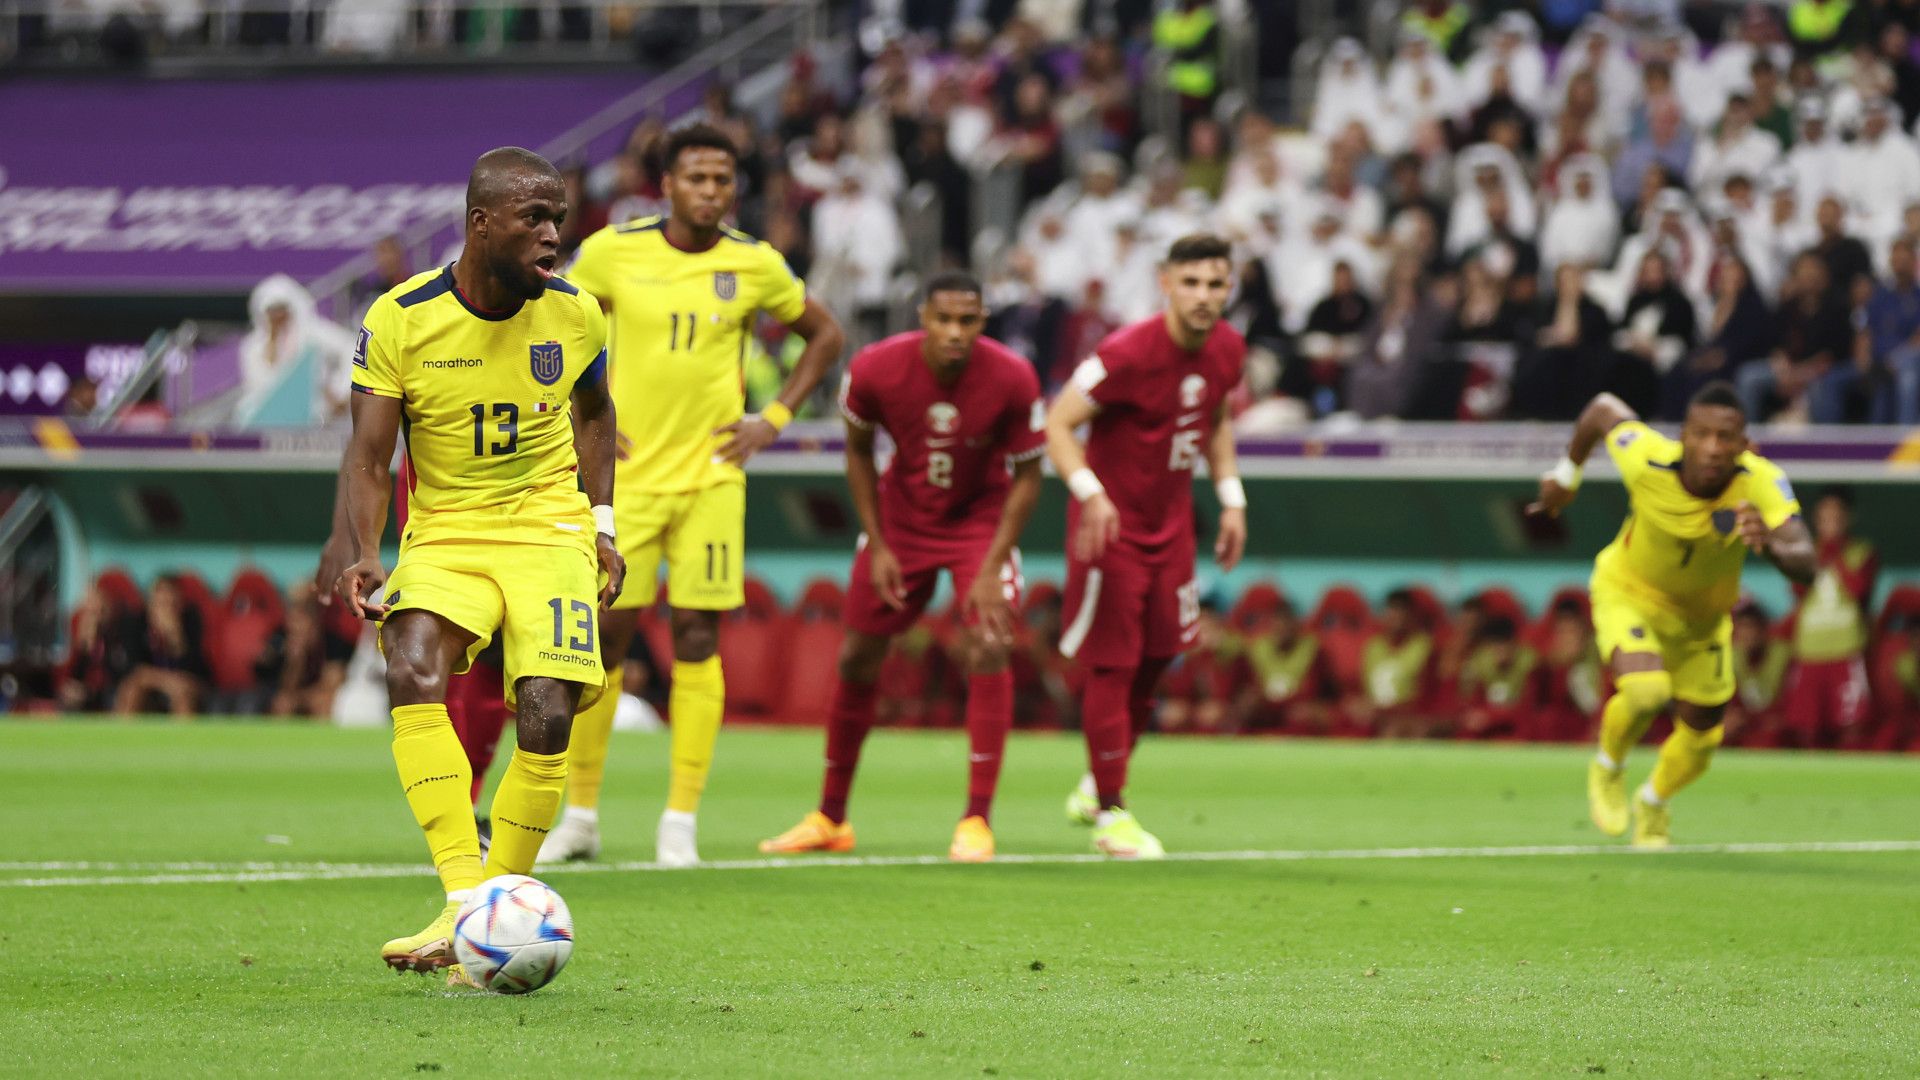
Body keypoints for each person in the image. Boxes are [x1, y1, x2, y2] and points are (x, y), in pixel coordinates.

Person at [332, 147, 625, 981]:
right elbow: (368, 455)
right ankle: (467, 900)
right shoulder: (401, 316)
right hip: (449, 531)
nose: (553, 237)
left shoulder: (576, 314)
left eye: (559, 221)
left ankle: (497, 901)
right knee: (410, 663)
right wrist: (364, 550)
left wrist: (602, 524)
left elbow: (597, 414)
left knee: (545, 710)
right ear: (480, 223)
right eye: (535, 219)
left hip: (548, 529)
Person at [549, 124, 846, 867]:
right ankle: (581, 816)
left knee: (697, 639)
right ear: (667, 185)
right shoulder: (616, 250)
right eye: (697, 178)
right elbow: (551, 324)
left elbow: (824, 333)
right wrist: (573, 412)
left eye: (723, 179)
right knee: (606, 638)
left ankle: (679, 820)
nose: (711, 190)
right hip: (630, 479)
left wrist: (772, 421)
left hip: (714, 477)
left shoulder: (755, 262)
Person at [759, 273, 1045, 863]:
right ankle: (830, 817)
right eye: (944, 320)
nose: (955, 333)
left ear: (982, 323)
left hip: (979, 521)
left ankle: (976, 821)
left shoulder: (1014, 377)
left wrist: (992, 565)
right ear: (923, 318)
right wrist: (880, 542)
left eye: (968, 321)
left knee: (989, 642)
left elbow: (1029, 478)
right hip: (902, 521)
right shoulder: (875, 369)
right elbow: (859, 453)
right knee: (857, 655)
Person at [1530, 384, 1814, 848]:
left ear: (1744, 444)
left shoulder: (1760, 482)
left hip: (1702, 624)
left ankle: (1654, 800)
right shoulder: (1646, 458)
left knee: (1702, 741)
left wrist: (1773, 543)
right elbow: (1602, 409)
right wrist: (1567, 475)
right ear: (1683, 435)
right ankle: (1608, 768)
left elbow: (1807, 559)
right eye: (1701, 434)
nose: (1712, 448)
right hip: (1629, 595)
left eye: (1725, 437)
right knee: (1646, 692)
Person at [1047, 233, 1247, 859]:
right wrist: (1091, 493)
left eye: (1215, 284)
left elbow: (1213, 420)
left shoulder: (1229, 349)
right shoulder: (1126, 352)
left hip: (1174, 531)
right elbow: (1058, 422)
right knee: (1113, 666)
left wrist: (1232, 496)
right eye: (1191, 282)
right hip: (1112, 532)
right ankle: (1112, 813)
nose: (1203, 296)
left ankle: (1096, 780)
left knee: (1161, 659)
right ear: (1165, 283)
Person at [1781, 487, 1879, 746]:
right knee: (1807, 726)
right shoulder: (1807, 550)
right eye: (1826, 516)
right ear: (1816, 518)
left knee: (1852, 724)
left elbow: (1859, 589)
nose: (1831, 522)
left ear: (1848, 518)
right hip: (1810, 651)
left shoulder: (1861, 551)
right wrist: (1821, 551)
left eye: (1837, 516)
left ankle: (1851, 783)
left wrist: (1836, 551)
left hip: (1845, 650)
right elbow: (1798, 588)